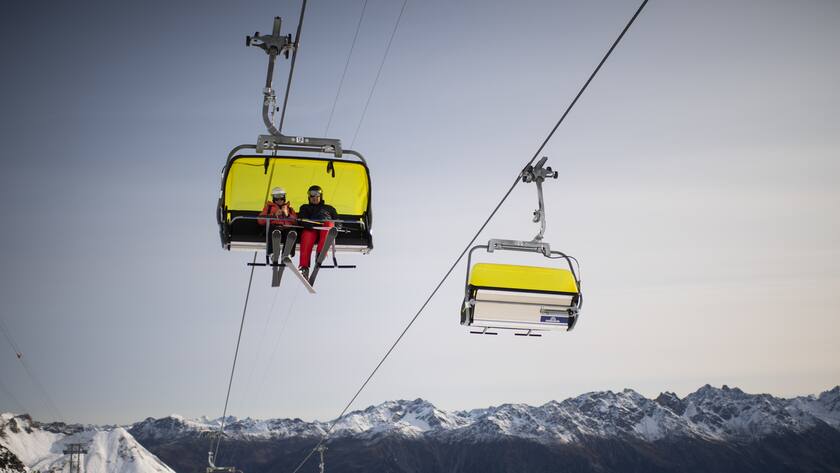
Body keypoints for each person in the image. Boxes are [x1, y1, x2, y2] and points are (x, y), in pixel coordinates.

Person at [296, 185, 338, 278]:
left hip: (325, 227)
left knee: (328, 225)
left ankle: (320, 253)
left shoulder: (329, 208)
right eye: (312, 195)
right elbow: (302, 219)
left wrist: (337, 226)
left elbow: (337, 220)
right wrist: (309, 225)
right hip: (312, 228)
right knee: (307, 235)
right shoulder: (305, 207)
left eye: (317, 195)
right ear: (309, 197)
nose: (314, 197)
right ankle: (304, 267)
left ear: (321, 196)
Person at [258, 187, 297, 261]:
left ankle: (287, 254)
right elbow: (260, 220)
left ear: (284, 198)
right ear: (273, 199)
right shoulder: (268, 208)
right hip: (274, 227)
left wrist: (287, 215)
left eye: (281, 197)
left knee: (292, 231)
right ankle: (273, 252)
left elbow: (296, 221)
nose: (279, 200)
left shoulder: (290, 209)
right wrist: (273, 215)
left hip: (286, 228)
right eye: (276, 198)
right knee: (273, 229)